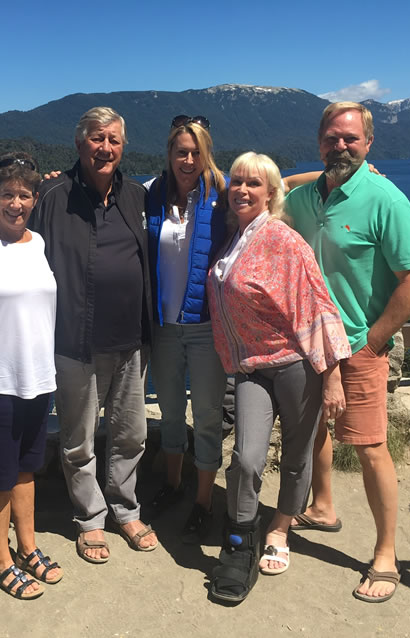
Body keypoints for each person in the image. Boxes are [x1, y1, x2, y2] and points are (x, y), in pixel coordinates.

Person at [285, 102, 410, 603]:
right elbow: (270, 183)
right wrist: (334, 168)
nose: (340, 146)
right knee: (314, 430)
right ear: (319, 141)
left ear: (369, 144)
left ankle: (386, 554)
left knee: (369, 448)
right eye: (331, 138)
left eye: (351, 139)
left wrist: (373, 338)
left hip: (359, 345)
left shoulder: (385, 198)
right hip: (311, 341)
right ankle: (323, 506)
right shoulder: (305, 197)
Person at [205, 152, 351, 603]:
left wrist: (331, 377)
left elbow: (320, 306)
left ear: (271, 193)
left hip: (295, 366)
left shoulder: (283, 240)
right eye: (237, 182)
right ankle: (241, 538)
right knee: (246, 458)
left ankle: (280, 530)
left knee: (296, 454)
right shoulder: (235, 235)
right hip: (251, 368)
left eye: (254, 184)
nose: (243, 190)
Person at [28, 106, 158, 563]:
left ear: (124, 147)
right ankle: (90, 519)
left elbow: (202, 191)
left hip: (132, 343)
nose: (106, 148)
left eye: (114, 141)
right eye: (97, 139)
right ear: (80, 144)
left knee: (130, 434)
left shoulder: (139, 196)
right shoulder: (52, 197)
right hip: (73, 342)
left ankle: (126, 510)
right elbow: (19, 248)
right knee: (78, 440)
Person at [0, 152, 62, 600]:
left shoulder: (39, 243)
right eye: (8, 194)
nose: (16, 203)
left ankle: (28, 548)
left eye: (25, 195)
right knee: (0, 475)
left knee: (27, 469)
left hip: (39, 380)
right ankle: (1, 560)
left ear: (35, 198)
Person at [144, 115, 228, 543]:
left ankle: (203, 500)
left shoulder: (223, 192)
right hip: (164, 327)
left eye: (196, 152)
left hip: (204, 326)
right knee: (172, 412)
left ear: (206, 154)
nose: (189, 159)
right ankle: (173, 485)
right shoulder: (152, 194)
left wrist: (330, 175)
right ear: (170, 154)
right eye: (182, 151)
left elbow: (277, 184)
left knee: (209, 416)